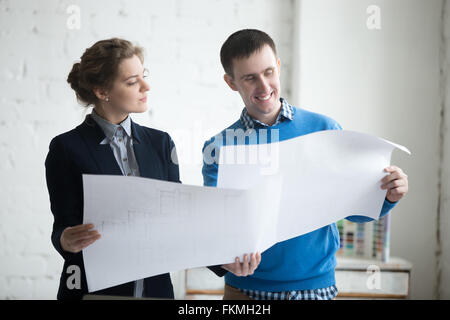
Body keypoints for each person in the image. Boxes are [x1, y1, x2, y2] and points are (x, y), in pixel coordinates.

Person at [202, 29, 409, 300]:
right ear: (231, 82)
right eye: (250, 78)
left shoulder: (325, 130)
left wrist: (389, 195)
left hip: (316, 288)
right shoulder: (219, 147)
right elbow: (218, 227)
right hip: (245, 291)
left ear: (278, 66)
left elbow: (355, 211)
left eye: (268, 72)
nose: (264, 87)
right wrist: (224, 258)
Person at [45, 38, 180, 300]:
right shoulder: (66, 148)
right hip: (95, 290)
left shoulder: (161, 143)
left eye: (144, 76)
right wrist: (65, 240)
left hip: (155, 289)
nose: (146, 86)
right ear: (101, 91)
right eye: (132, 82)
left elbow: (178, 218)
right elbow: (62, 228)